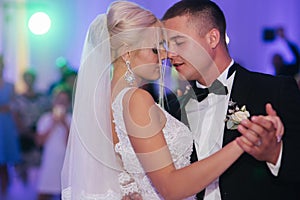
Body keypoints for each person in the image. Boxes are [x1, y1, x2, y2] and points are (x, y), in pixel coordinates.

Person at [61, 1, 283, 200]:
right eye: (155, 48)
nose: (166, 55)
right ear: (127, 53)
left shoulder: (106, 101)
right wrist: (244, 141)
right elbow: (171, 187)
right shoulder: (135, 99)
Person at [162, 0, 300, 199]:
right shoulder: (171, 107)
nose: (170, 54)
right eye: (168, 45)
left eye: (179, 42)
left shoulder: (273, 90)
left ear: (212, 38)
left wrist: (274, 153)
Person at [12, 69, 51, 184]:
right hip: (25, 135)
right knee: (24, 165)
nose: (29, 81)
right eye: (26, 78)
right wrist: (28, 133)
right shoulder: (18, 99)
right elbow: (16, 118)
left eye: (31, 78)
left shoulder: (43, 98)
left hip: (40, 135)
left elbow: (48, 115)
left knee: (41, 165)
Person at [36, 88, 71, 200]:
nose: (61, 103)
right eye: (59, 100)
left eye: (64, 101)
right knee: (43, 194)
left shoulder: (71, 119)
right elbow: (40, 142)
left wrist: (65, 125)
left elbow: (71, 145)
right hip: (49, 163)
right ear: (54, 101)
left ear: (68, 104)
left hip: (66, 164)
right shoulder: (45, 118)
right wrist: (53, 123)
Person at [0, 55, 20, 196]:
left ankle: (5, 190)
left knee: (5, 160)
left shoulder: (10, 85)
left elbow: (15, 105)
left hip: (6, 124)